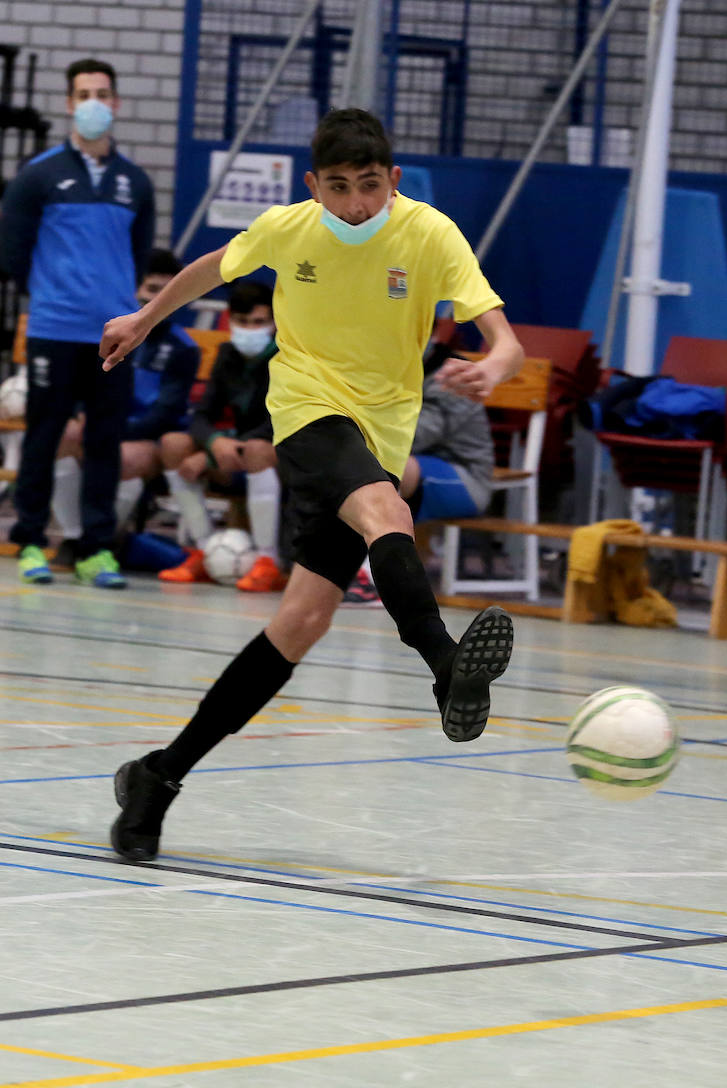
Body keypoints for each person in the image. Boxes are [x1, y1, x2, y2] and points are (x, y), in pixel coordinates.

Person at [98, 107, 523, 862]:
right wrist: (145, 315)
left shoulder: (428, 232)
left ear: (391, 180)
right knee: (386, 508)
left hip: (383, 431)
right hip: (305, 414)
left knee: (300, 623)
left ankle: (157, 778)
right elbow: (214, 266)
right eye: (338, 187)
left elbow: (505, 338)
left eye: (368, 186)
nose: (356, 203)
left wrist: (493, 366)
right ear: (313, 186)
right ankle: (444, 664)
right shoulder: (288, 227)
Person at [0, 58, 155, 589]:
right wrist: (57, 296)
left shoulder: (135, 182)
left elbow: (136, 260)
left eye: (103, 93)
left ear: (115, 102)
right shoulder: (38, 176)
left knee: (104, 442)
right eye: (84, 93)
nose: (94, 102)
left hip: (114, 335)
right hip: (53, 330)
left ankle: (95, 550)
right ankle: (30, 542)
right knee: (42, 437)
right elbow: (13, 255)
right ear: (69, 103)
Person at [48, 249, 200, 562]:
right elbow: (81, 390)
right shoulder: (107, 333)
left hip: (148, 438)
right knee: (63, 433)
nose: (156, 301)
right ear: (134, 290)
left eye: (166, 292)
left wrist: (110, 430)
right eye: (151, 290)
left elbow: (165, 413)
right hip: (104, 424)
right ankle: (74, 537)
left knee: (123, 458)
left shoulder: (183, 348)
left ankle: (102, 541)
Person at [156, 279, 284, 591]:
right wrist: (214, 442)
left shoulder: (287, 357)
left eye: (258, 322)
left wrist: (212, 450)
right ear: (230, 320)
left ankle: (268, 561)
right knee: (173, 444)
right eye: (242, 322)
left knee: (256, 448)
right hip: (234, 452)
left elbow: (278, 423)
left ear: (274, 322)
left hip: (279, 454)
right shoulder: (227, 354)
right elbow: (201, 415)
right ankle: (202, 549)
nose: (249, 329)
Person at [342, 349, 496, 606]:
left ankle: (375, 580)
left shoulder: (454, 373)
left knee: (384, 466)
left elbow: (417, 435)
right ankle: (339, 566)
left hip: (465, 479)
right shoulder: (380, 366)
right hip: (414, 469)